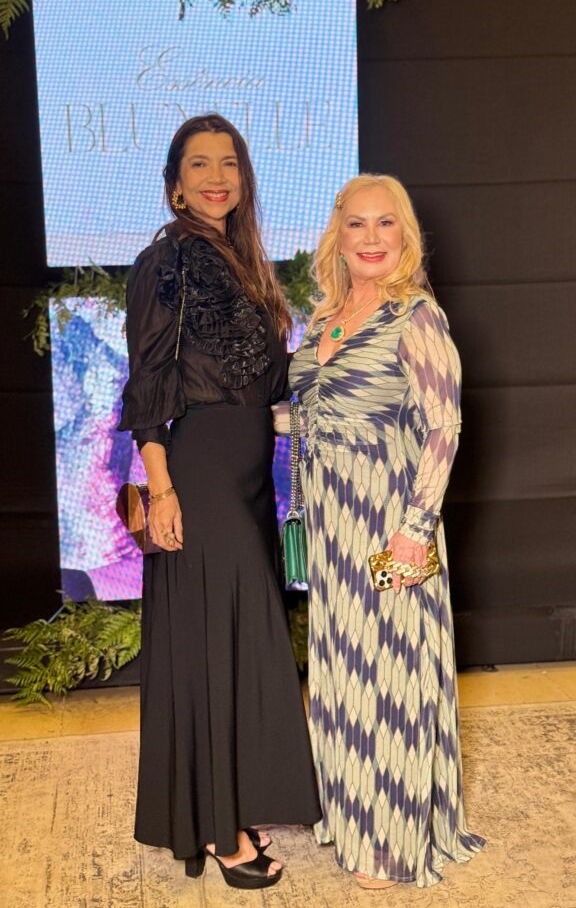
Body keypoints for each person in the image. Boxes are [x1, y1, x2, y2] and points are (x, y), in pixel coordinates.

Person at [118, 114, 320, 889]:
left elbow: (262, 380)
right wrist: (162, 487)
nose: (216, 176)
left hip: (246, 477)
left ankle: (224, 806)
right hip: (198, 475)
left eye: (228, 162)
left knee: (234, 646)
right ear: (175, 183)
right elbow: (147, 384)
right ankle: (221, 831)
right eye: (199, 164)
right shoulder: (167, 260)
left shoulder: (240, 260)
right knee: (214, 648)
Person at [289, 174, 485, 889]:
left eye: (386, 224)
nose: (371, 238)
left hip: (388, 524)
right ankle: (351, 818)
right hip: (331, 527)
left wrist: (413, 530)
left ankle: (392, 839)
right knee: (342, 674)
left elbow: (444, 427)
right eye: (357, 224)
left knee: (391, 677)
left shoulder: (416, 317)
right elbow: (309, 414)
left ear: (406, 235)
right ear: (337, 237)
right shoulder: (324, 319)